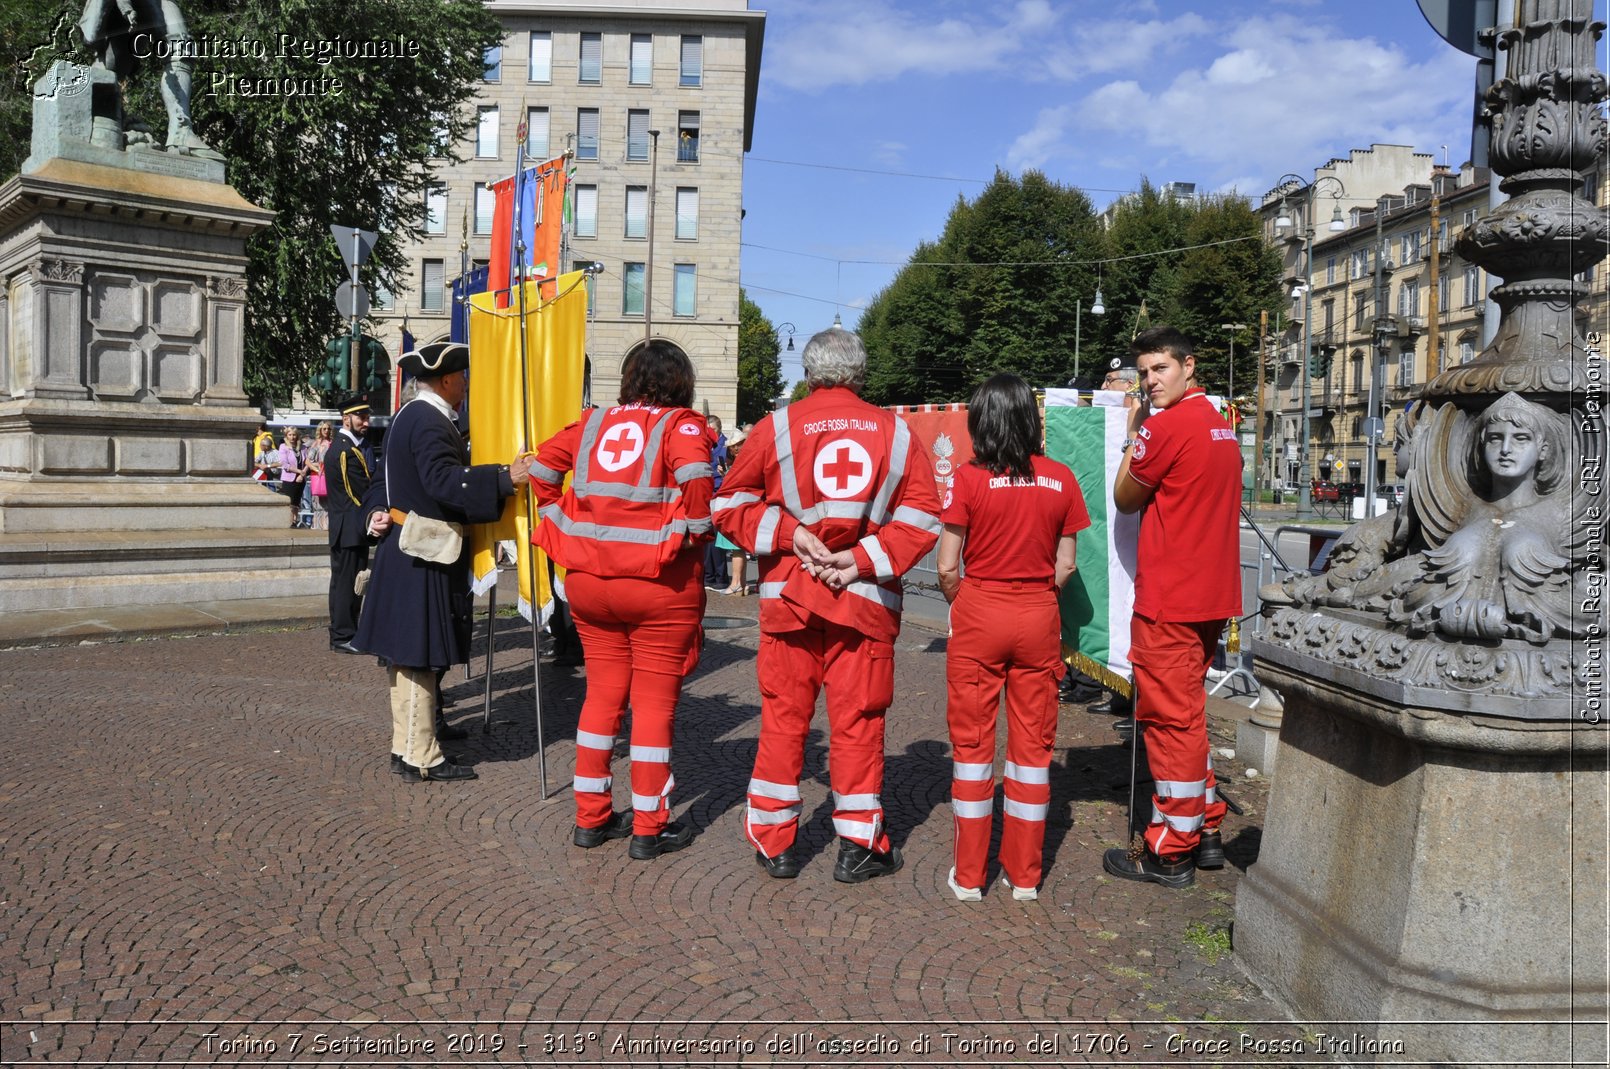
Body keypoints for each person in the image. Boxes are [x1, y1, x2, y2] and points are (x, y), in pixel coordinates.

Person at [713, 328, 941, 883]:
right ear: (860, 374)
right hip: (863, 604)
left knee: (784, 722)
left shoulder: (776, 427)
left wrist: (790, 534)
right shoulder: (897, 432)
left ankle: (775, 845)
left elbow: (728, 504)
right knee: (858, 723)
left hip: (789, 598)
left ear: (808, 374)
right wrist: (862, 559)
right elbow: (923, 518)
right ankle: (859, 844)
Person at [527, 340, 715, 861]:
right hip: (658, 583)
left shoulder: (591, 422)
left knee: (602, 695)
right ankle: (650, 826)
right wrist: (696, 533)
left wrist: (561, 520)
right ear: (681, 381)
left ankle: (591, 817)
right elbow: (698, 480)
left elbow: (542, 469)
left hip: (590, 580)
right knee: (653, 705)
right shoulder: (681, 425)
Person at [936, 374, 1089, 901]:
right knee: (1032, 747)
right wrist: (1034, 594)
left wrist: (970, 601)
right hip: (1038, 615)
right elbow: (1065, 565)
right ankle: (1025, 875)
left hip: (981, 611)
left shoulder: (968, 478)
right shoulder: (1061, 478)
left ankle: (971, 876)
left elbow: (947, 565)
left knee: (973, 746)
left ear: (982, 422)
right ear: (1030, 419)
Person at [354, 343, 535, 782]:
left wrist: (375, 511)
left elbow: (383, 479)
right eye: (465, 378)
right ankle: (422, 756)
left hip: (406, 546)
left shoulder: (407, 416)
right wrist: (503, 478)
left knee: (405, 657)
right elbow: (441, 481)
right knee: (418, 656)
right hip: (423, 554)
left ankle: (405, 745)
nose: (468, 384)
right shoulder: (431, 421)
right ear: (449, 380)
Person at [1102, 326, 1239, 888]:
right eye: (1144, 370)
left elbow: (1124, 497)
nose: (1149, 380)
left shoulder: (1166, 426)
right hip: (1211, 594)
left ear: (1189, 366)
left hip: (1170, 600)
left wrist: (1135, 432)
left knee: (1168, 720)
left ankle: (1170, 846)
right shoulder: (1220, 424)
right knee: (1189, 713)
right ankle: (1204, 825)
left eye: (1160, 369)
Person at [325, 400, 374, 654]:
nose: (366, 422)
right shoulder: (345, 451)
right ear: (346, 419)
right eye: (360, 418)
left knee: (347, 584)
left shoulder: (348, 448)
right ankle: (343, 636)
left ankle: (344, 633)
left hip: (348, 527)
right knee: (348, 585)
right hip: (350, 528)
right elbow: (361, 493)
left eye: (366, 417)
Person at [703, 415, 732, 591]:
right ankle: (709, 576)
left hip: (719, 492)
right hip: (706, 492)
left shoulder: (725, 447)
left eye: (712, 430)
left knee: (717, 540)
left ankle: (720, 577)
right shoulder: (707, 445)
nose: (709, 434)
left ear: (719, 429)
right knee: (707, 538)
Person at [278, 428, 309, 527]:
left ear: (297, 436)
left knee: (297, 501)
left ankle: (295, 521)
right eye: (290, 435)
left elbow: (308, 461)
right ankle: (289, 521)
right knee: (290, 502)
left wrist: (302, 474)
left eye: (294, 435)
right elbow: (284, 464)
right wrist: (299, 471)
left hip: (301, 478)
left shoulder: (303, 447)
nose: (292, 437)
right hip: (289, 478)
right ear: (286, 436)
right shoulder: (283, 447)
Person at [307, 421, 334, 531]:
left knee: (328, 503)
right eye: (324, 429)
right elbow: (308, 461)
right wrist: (317, 469)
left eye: (328, 429)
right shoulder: (316, 443)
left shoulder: (332, 443)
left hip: (330, 476)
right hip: (319, 476)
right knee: (318, 503)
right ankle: (318, 526)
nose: (326, 431)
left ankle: (327, 526)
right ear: (320, 430)